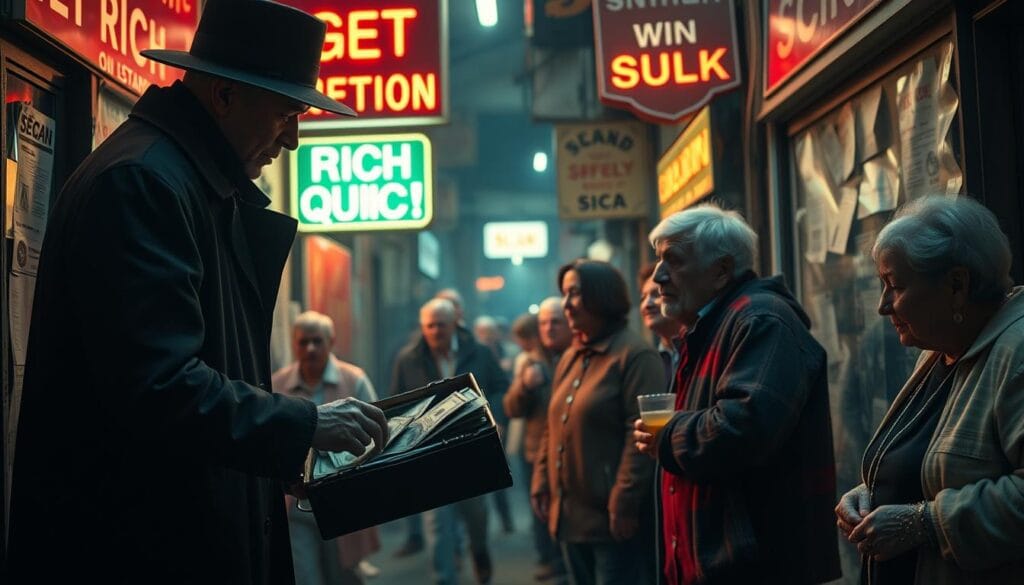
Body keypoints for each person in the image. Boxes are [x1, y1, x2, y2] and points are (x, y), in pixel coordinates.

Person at [7, 2, 389, 582]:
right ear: (224, 96)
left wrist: (281, 447)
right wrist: (302, 425)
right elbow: (158, 386)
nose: (292, 138)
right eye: (286, 113)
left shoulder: (179, 181)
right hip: (137, 554)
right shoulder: (144, 182)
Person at [634, 203, 840, 584]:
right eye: (658, 260)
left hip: (753, 568)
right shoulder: (708, 325)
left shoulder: (760, 320)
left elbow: (743, 430)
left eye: (672, 261)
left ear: (721, 271)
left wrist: (668, 435)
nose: (659, 276)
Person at [835, 195, 1024, 584]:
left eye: (895, 285)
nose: (883, 307)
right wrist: (874, 490)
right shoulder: (939, 350)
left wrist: (922, 524)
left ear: (957, 284)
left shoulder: (1016, 350)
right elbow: (927, 463)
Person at [531, 260, 664, 585]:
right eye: (564, 294)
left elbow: (640, 435)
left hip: (611, 520)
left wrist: (624, 500)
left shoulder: (634, 356)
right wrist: (541, 480)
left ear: (601, 296)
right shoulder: (571, 356)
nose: (566, 305)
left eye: (574, 294)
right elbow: (552, 425)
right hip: (569, 520)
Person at [390, 298, 509, 585]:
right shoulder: (408, 359)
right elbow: (396, 402)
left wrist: (495, 418)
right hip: (430, 451)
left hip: (471, 445)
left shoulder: (479, 352)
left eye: (440, 325)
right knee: (438, 525)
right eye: (429, 326)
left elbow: (500, 387)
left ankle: (479, 552)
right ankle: (444, 578)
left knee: (476, 515)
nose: (434, 331)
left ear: (454, 323)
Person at [273, 312, 382, 585]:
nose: (310, 348)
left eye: (317, 341)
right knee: (306, 577)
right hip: (297, 504)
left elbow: (377, 434)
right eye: (303, 342)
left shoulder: (354, 379)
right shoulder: (278, 384)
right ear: (294, 343)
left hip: (343, 500)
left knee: (344, 574)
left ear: (330, 342)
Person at [505, 299, 572, 583]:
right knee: (541, 508)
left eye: (555, 321)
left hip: (571, 450)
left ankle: (563, 561)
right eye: (544, 323)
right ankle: (549, 558)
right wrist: (524, 386)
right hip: (537, 449)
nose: (549, 328)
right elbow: (512, 408)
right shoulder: (532, 361)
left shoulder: (579, 354)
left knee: (568, 510)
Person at [638, 263, 685, 383]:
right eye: (642, 298)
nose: (647, 304)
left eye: (657, 294)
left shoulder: (699, 350)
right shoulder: (649, 361)